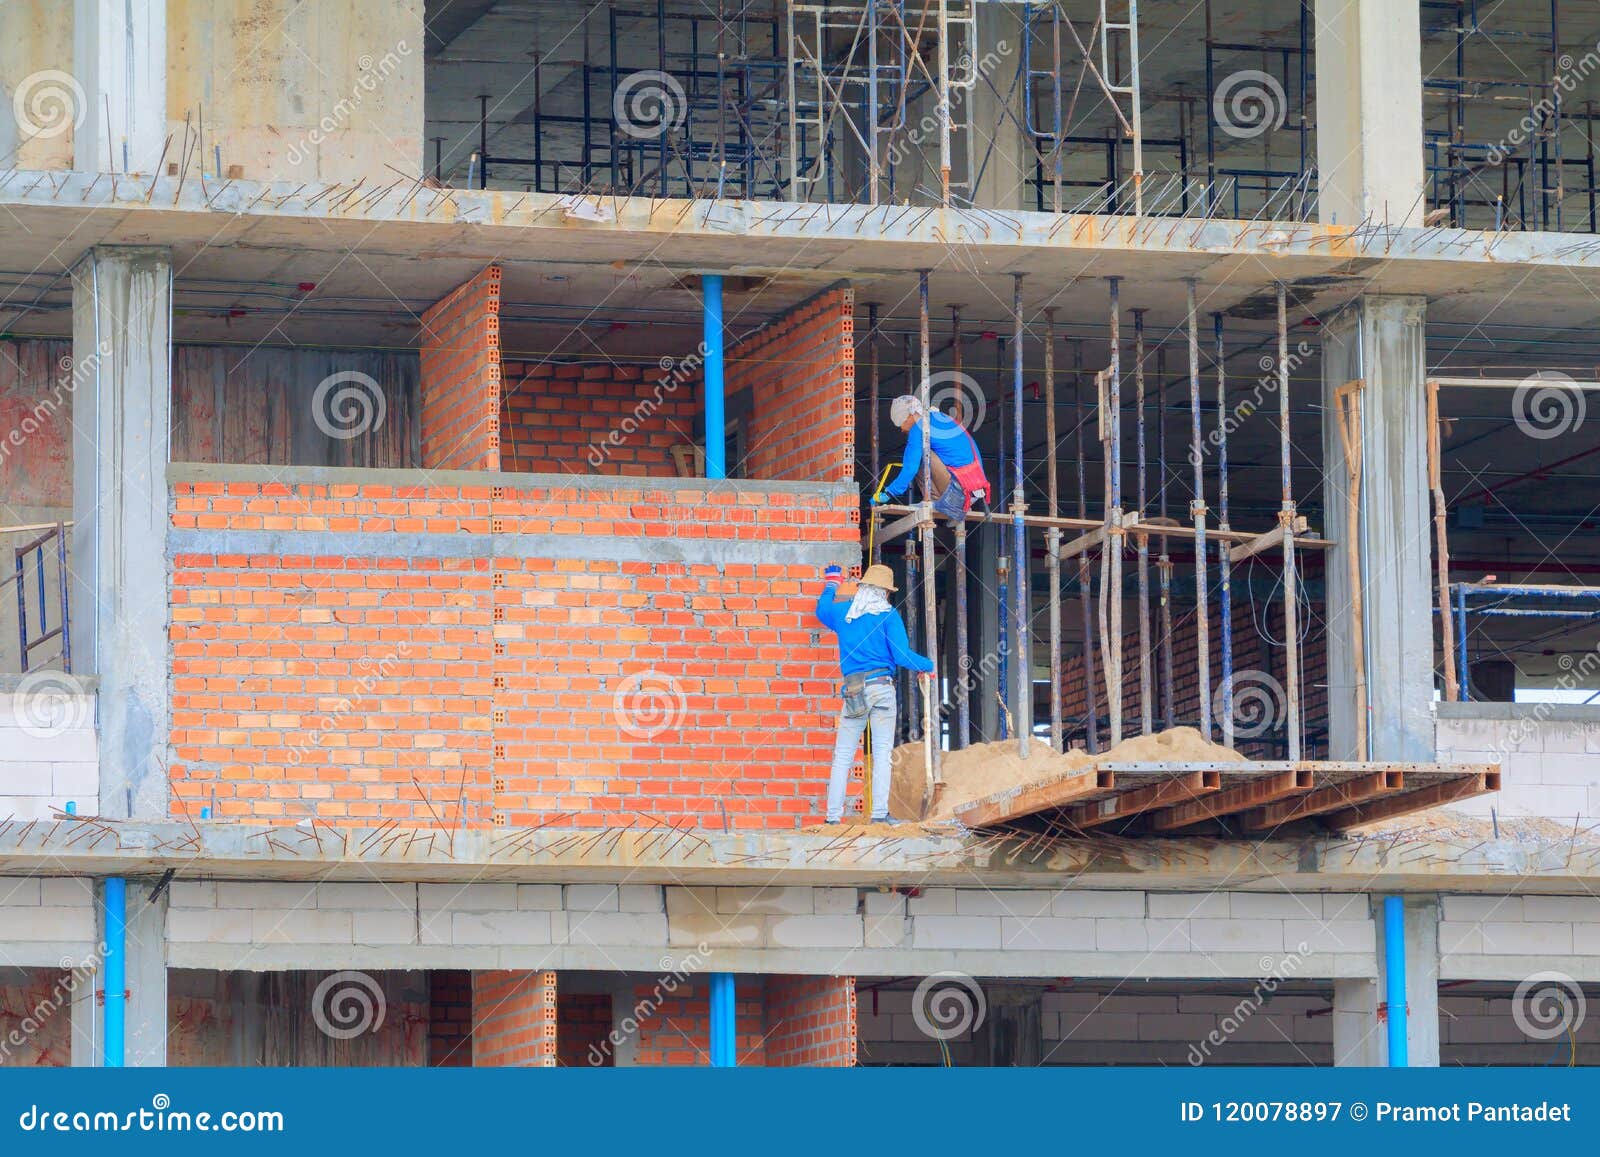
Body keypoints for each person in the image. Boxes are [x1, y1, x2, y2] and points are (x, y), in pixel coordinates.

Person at [814, 562, 934, 824]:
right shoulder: (889, 615)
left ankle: (832, 818)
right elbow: (901, 655)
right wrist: (927, 666)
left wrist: (832, 583)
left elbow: (821, 610)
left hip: (854, 690)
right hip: (881, 688)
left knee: (843, 756)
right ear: (885, 592)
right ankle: (879, 816)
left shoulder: (844, 612)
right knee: (882, 755)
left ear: (862, 588)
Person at [873, 394, 990, 522]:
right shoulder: (943, 418)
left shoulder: (919, 426)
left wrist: (889, 493)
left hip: (958, 490)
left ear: (908, 416)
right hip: (973, 489)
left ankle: (934, 500)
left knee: (921, 454)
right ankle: (948, 502)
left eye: (901, 424)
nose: (902, 429)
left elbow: (910, 468)